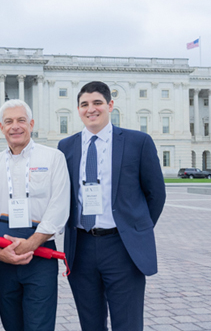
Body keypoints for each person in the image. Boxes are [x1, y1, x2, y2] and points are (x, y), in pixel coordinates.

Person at [59, 81, 166, 331]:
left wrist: (135, 229)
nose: (91, 109)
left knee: (127, 323)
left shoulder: (137, 142)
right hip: (81, 246)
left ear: (110, 105)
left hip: (122, 247)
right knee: (91, 323)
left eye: (97, 103)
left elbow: (156, 193)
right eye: (84, 104)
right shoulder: (66, 147)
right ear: (78, 109)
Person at [0, 99, 70, 331]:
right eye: (8, 121)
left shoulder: (53, 158)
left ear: (31, 123)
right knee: (12, 324)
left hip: (40, 255)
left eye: (21, 120)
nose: (15, 126)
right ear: (1, 127)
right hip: (2, 257)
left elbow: (59, 206)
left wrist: (30, 244)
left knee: (39, 325)